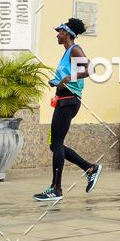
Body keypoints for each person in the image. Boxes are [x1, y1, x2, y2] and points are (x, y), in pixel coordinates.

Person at [33, 18, 102, 202]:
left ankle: (56, 189)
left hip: (69, 101)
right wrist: (57, 82)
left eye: (60, 32)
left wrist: (67, 79)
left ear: (67, 34)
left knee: (56, 144)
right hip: (64, 100)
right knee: (55, 144)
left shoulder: (75, 49)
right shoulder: (67, 53)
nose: (57, 35)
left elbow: (90, 70)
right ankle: (89, 168)